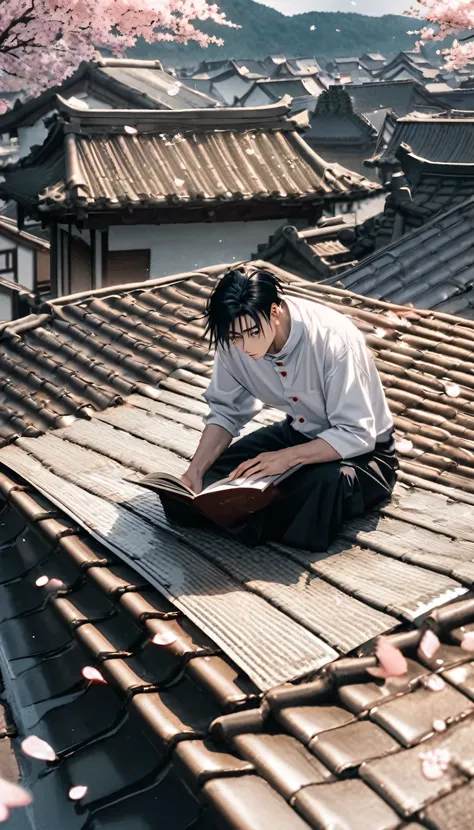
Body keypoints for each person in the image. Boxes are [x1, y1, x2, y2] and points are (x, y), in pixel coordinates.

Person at [162, 264, 398, 552]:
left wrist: (287, 458)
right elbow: (226, 412)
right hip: (297, 434)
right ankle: (262, 510)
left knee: (324, 485)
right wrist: (195, 472)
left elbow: (357, 434)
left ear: (275, 312)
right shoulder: (232, 341)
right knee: (203, 487)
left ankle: (258, 513)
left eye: (252, 332)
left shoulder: (333, 338)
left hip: (364, 454)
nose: (245, 345)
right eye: (236, 337)